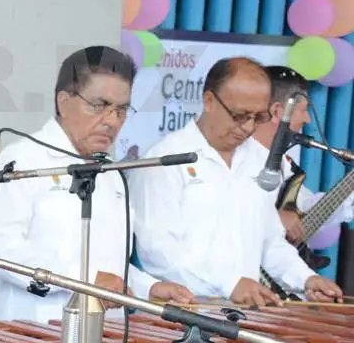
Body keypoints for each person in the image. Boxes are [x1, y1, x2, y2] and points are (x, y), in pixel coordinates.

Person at [0, 47, 194, 324]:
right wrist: (85, 278)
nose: (112, 121)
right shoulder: (22, 160)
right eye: (99, 105)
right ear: (64, 101)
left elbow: (109, 266)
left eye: (121, 110)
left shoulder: (111, 172)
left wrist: (147, 287)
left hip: (106, 332)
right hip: (32, 328)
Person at [131, 57, 343, 307]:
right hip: (182, 315)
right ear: (209, 101)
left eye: (258, 117)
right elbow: (158, 251)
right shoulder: (165, 159)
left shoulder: (260, 160)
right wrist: (229, 283)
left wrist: (305, 278)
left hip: (246, 314)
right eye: (239, 116)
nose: (248, 127)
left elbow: (270, 241)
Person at [254, 66, 354, 246]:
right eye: (303, 110)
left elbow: (304, 207)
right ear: (278, 112)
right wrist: (272, 220)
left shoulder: (285, 163)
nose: (308, 119)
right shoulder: (233, 159)